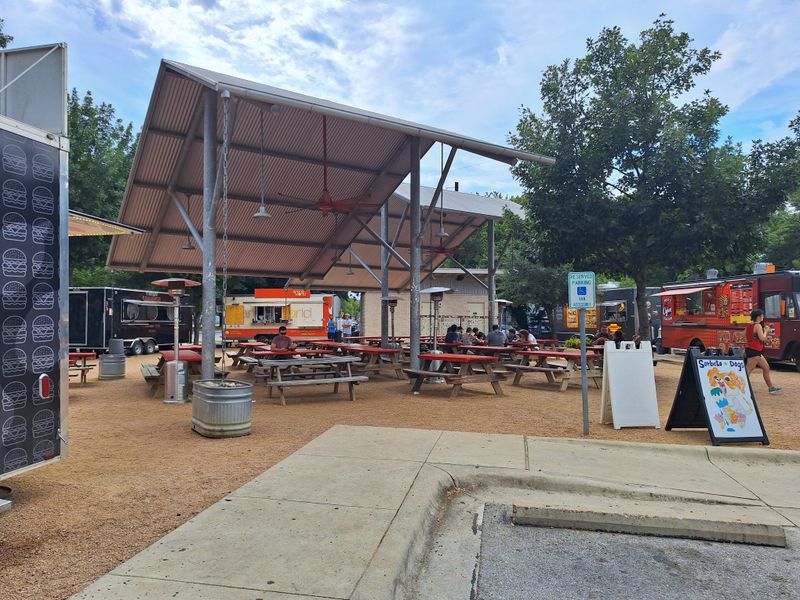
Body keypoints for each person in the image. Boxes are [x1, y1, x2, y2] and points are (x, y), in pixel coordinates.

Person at [745, 309, 781, 394]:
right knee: (748, 371)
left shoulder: (749, 325)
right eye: (762, 315)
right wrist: (766, 331)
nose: (763, 317)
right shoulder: (758, 326)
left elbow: (744, 334)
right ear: (758, 317)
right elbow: (763, 338)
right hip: (755, 350)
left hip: (754, 350)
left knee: (766, 368)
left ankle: (771, 388)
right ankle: (739, 387)